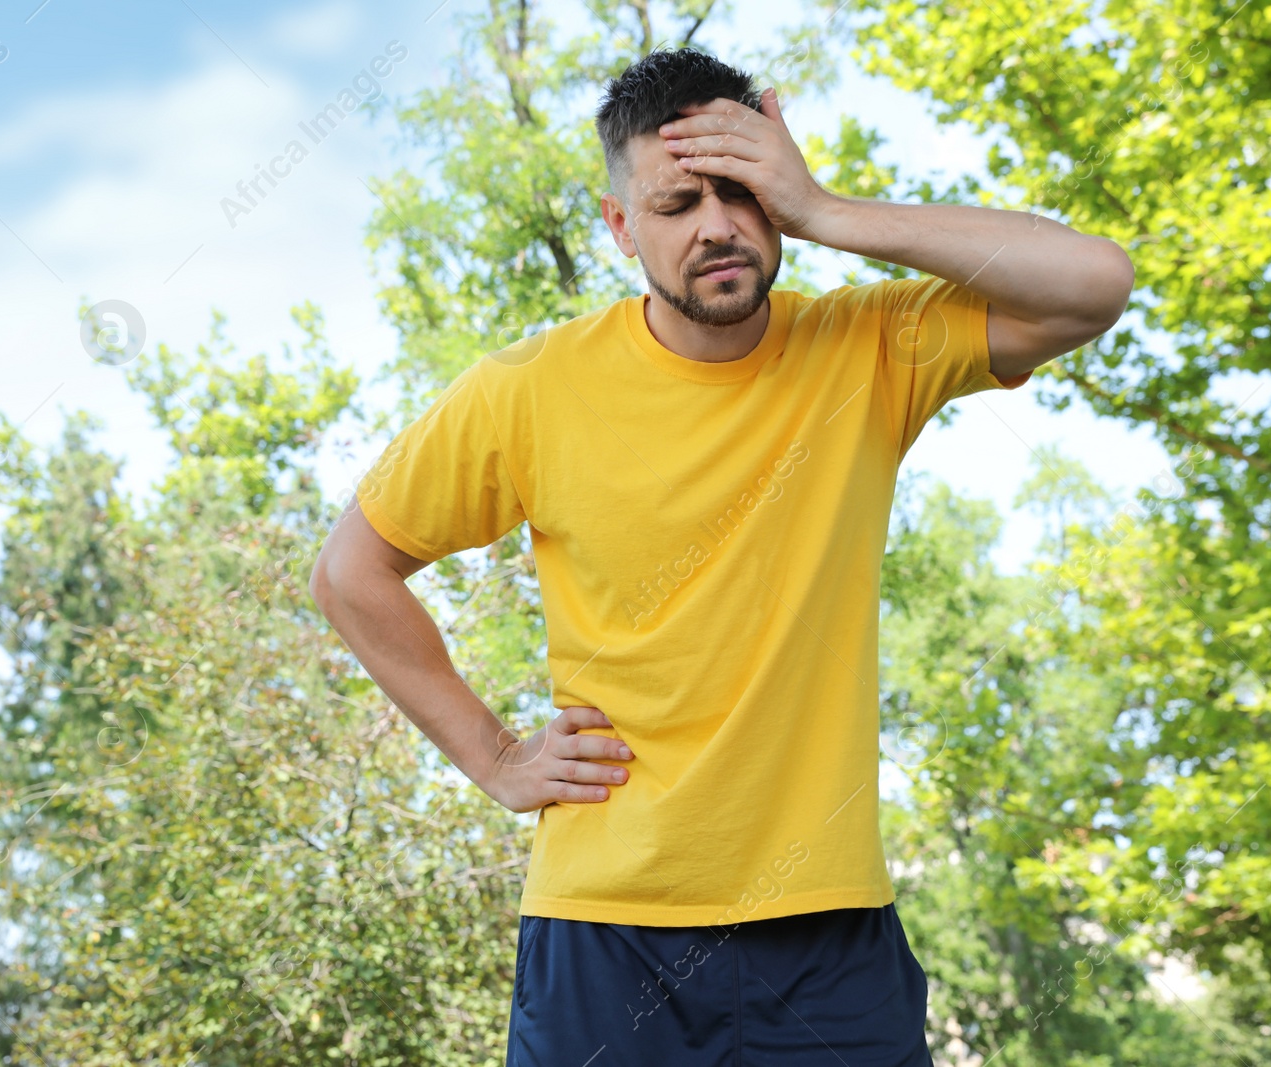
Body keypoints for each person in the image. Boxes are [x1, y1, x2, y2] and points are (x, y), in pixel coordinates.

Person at [308, 45, 1132, 1067]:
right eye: (676, 202)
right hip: (605, 933)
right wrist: (493, 755)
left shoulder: (868, 348)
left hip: (828, 933)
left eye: (741, 192)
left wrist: (827, 207)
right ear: (620, 228)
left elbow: (1094, 283)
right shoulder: (526, 388)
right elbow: (351, 571)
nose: (716, 226)